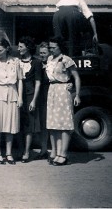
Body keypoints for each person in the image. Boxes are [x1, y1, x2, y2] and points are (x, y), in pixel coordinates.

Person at [0, 38, 23, 165]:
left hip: (12, 94)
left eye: (0, 50)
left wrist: (20, 97)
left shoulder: (15, 61)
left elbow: (20, 80)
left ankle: (8, 153)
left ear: (7, 49)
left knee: (10, 125)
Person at [46, 36, 81, 166]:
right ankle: (55, 152)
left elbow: (76, 77)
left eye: (54, 47)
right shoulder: (50, 59)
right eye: (50, 47)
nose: (51, 49)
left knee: (64, 123)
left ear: (60, 47)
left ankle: (63, 154)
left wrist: (77, 94)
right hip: (52, 90)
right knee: (53, 123)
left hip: (63, 90)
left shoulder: (66, 59)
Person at [17, 36, 43, 163]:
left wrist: (34, 100)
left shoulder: (36, 62)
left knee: (29, 125)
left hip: (30, 95)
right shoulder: (17, 61)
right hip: (17, 95)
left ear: (28, 47)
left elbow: (38, 82)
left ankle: (26, 152)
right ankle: (20, 150)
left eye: (21, 46)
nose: (19, 49)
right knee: (18, 124)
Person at [36, 42, 51, 160]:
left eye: (44, 53)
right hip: (41, 96)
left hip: (52, 95)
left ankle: (55, 151)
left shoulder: (53, 65)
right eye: (40, 53)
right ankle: (44, 149)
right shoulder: (38, 64)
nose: (42, 55)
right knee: (43, 124)